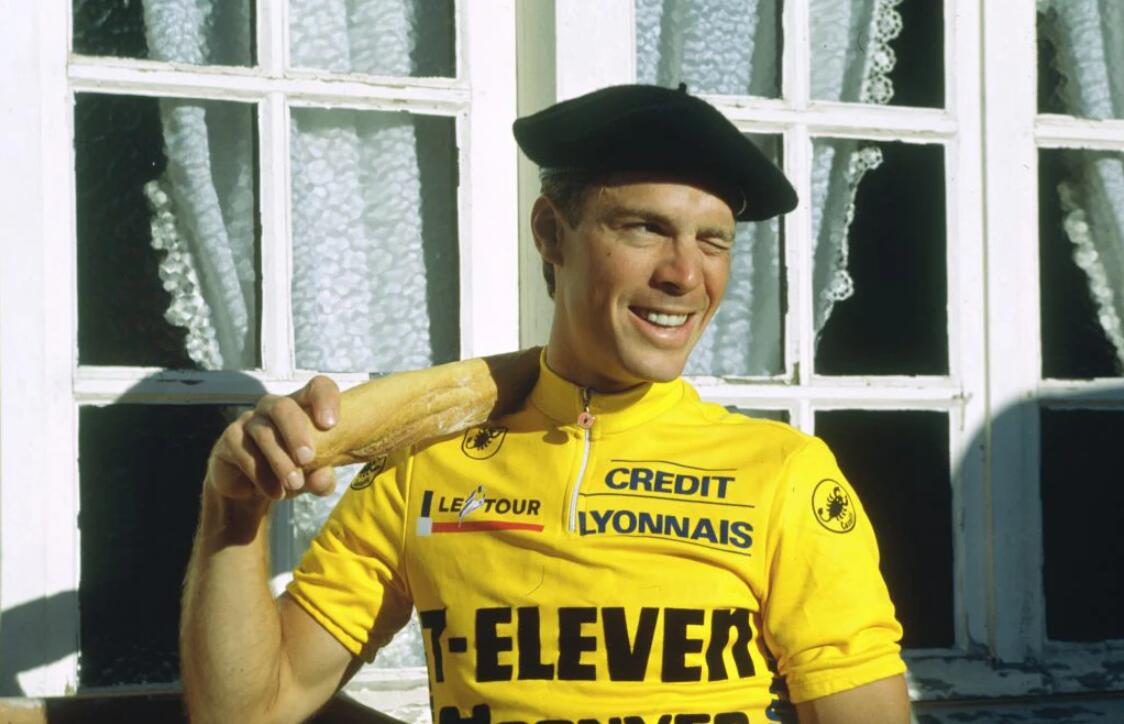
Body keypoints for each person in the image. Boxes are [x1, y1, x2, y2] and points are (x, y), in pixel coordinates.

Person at [181, 84, 911, 723]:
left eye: (713, 242)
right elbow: (244, 711)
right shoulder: (420, 467)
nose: (686, 274)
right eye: (646, 227)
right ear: (550, 233)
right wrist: (233, 514)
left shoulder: (784, 474)